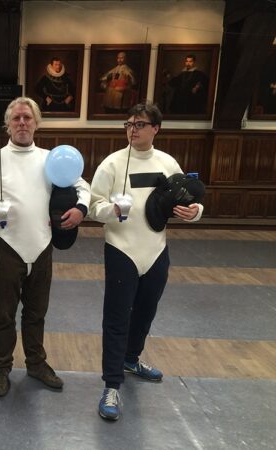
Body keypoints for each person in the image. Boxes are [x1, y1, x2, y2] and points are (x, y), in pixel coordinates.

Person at [88, 102, 203, 421]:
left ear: (156, 129)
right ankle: (112, 385)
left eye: (140, 124)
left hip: (156, 250)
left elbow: (187, 198)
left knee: (146, 311)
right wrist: (111, 210)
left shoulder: (167, 163)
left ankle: (131, 358)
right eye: (129, 124)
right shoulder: (111, 164)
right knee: (116, 318)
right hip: (121, 250)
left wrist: (195, 212)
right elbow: (93, 207)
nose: (133, 129)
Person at [0, 97, 91, 397]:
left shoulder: (52, 159)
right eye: (16, 118)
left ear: (36, 123)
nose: (22, 123)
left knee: (37, 312)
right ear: (8, 124)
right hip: (7, 246)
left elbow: (83, 187)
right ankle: (2, 367)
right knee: (5, 313)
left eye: (27, 118)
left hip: (42, 246)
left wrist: (81, 209)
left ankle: (36, 363)